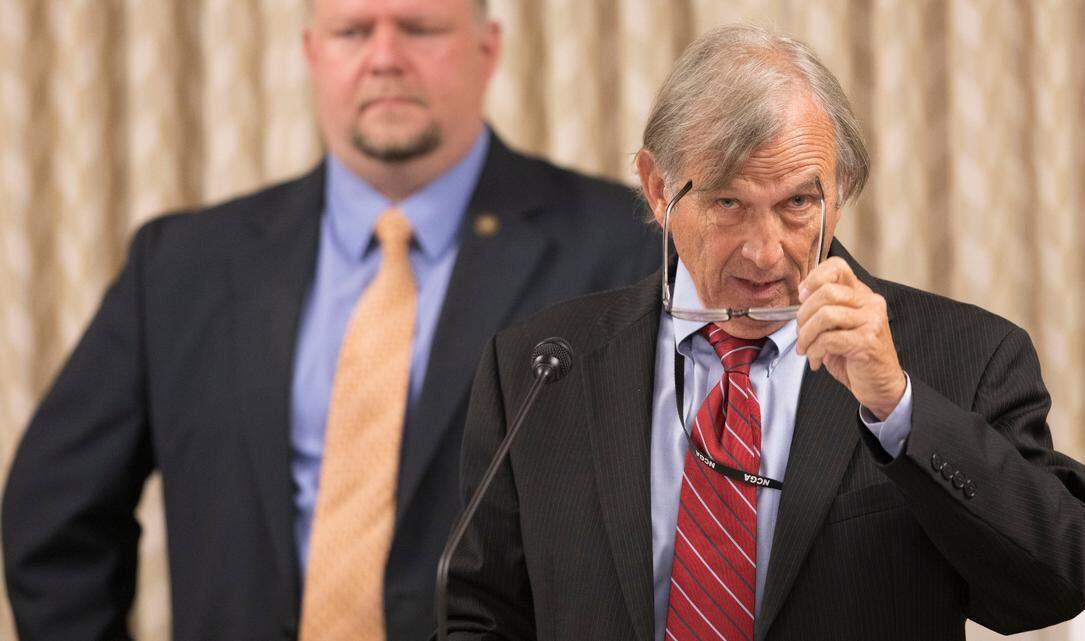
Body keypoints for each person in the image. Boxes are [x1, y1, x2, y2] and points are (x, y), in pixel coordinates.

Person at [2, 0, 658, 640]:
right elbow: (53, 511)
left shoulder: (626, 248)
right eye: (352, 31)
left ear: (488, 50)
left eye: (420, 28)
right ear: (312, 54)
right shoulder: (182, 265)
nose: (385, 58)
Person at [444, 24, 1085, 641]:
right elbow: (481, 615)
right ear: (658, 187)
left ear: (840, 189)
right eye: (727, 203)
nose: (764, 252)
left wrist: (899, 408)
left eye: (797, 202)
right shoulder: (541, 366)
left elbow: (1060, 581)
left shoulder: (967, 356)